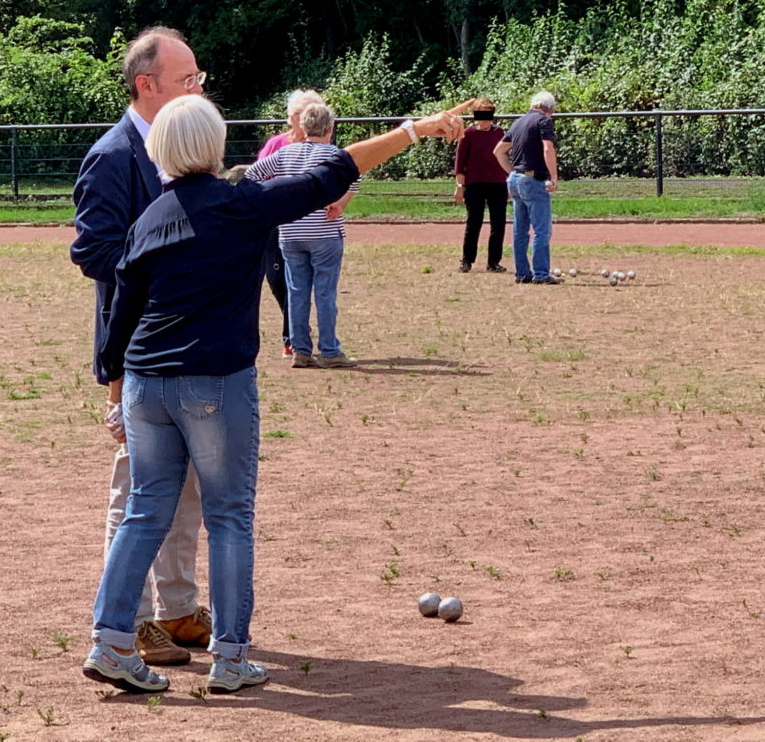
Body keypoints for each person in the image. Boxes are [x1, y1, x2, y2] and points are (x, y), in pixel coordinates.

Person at [82, 94, 467, 694]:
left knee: (145, 512)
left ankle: (108, 643)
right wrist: (412, 131)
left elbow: (120, 315)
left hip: (144, 386)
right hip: (214, 382)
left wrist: (114, 391)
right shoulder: (243, 204)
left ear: (159, 149)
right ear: (215, 146)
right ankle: (230, 658)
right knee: (228, 516)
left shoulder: (150, 218)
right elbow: (336, 170)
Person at [70, 26, 211, 668]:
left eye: (198, 80)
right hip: (138, 351)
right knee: (137, 492)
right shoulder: (113, 155)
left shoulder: (178, 149)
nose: (197, 90)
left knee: (184, 488)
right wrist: (168, 258)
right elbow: (92, 251)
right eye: (187, 81)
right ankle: (125, 625)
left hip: (186, 347)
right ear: (145, 85)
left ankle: (176, 609)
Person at [246, 103, 361, 369]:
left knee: (297, 291)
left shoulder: (286, 153)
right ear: (330, 129)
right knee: (325, 292)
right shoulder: (336, 155)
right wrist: (340, 203)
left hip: (290, 231)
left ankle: (300, 349)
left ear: (303, 127)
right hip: (324, 231)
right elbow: (355, 178)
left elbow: (253, 173)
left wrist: (273, 199)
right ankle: (330, 350)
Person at [256, 89, 326, 358]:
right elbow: (258, 175)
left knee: (303, 280)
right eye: (297, 114)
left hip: (309, 223)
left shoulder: (322, 147)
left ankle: (292, 337)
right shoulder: (277, 144)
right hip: (275, 220)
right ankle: (298, 327)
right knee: (276, 278)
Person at [493, 91, 560, 284]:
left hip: (515, 180)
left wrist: (512, 172)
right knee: (541, 230)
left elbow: (498, 151)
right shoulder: (543, 122)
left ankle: (522, 273)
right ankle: (541, 274)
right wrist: (554, 176)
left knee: (520, 230)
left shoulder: (518, 122)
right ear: (550, 110)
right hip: (533, 180)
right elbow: (548, 148)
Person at [454, 97, 508, 273]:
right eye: (481, 114)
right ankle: (467, 260)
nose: (485, 118)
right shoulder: (468, 134)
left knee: (498, 223)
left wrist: (509, 181)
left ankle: (494, 262)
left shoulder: (500, 133)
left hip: (498, 183)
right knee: (474, 222)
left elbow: (506, 157)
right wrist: (460, 186)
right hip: (474, 184)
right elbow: (460, 163)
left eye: (488, 114)